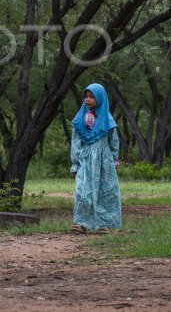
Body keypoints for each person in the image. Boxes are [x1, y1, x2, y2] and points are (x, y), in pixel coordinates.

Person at [69, 83, 122, 234]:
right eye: (86, 96)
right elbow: (76, 142)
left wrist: (113, 159)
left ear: (100, 98)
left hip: (104, 162)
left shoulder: (108, 120)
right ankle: (80, 223)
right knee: (82, 191)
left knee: (105, 192)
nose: (87, 99)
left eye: (92, 96)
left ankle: (103, 224)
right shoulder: (80, 119)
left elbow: (114, 142)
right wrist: (75, 163)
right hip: (84, 161)